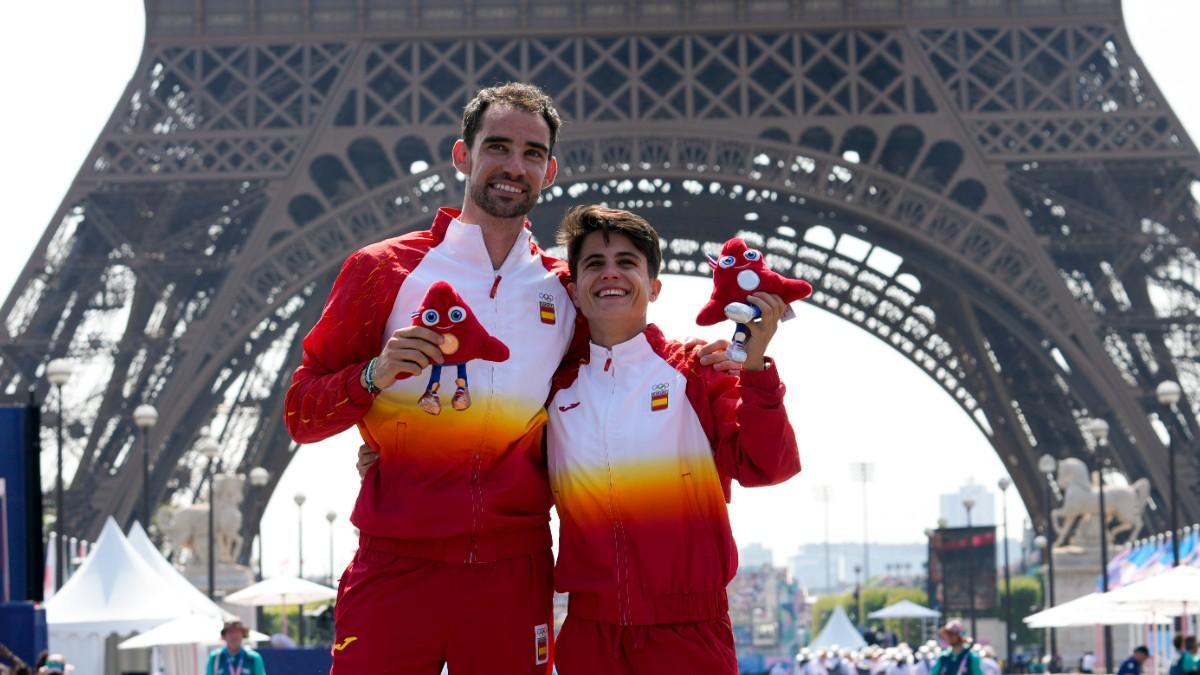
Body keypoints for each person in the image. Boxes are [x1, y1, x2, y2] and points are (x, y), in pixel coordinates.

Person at [288, 83, 733, 673]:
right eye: (497, 146)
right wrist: (374, 376)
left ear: (548, 170)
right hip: (397, 562)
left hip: (513, 571)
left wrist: (700, 359)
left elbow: (614, 370)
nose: (512, 165)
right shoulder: (382, 271)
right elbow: (300, 412)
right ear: (462, 155)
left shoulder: (564, 289)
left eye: (530, 153)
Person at [543, 205, 800, 673]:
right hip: (589, 635)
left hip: (688, 633)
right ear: (575, 290)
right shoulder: (554, 391)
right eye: (594, 264)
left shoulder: (696, 374)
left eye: (627, 262)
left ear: (655, 287)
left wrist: (758, 367)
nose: (610, 274)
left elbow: (768, 466)